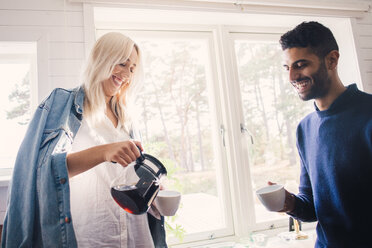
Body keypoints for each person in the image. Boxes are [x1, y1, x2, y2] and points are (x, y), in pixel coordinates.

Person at [1, 32, 167, 248]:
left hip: (135, 233)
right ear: (102, 59)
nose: (127, 74)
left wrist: (151, 188)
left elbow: (126, 174)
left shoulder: (126, 117)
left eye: (132, 68)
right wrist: (104, 152)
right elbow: (43, 171)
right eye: (122, 64)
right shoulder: (61, 104)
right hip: (89, 233)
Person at [273, 21, 372, 248]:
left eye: (300, 65)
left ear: (332, 60)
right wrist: (289, 203)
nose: (292, 77)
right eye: (287, 68)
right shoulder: (304, 129)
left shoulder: (368, 115)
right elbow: (312, 208)